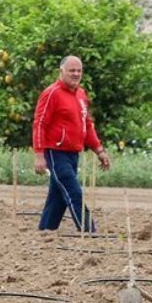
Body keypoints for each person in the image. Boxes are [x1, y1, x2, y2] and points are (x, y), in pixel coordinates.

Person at [31, 55, 111, 233]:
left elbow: (87, 124)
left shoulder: (81, 95)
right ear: (62, 71)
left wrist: (99, 150)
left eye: (79, 71)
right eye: (71, 70)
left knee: (58, 197)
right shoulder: (51, 93)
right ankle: (89, 232)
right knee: (73, 192)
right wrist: (39, 154)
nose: (76, 74)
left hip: (73, 153)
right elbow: (39, 124)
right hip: (55, 152)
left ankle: (45, 231)